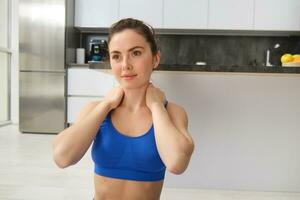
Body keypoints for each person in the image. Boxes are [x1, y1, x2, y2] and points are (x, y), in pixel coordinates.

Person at [52, 18, 194, 200]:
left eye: (135, 53)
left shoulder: (172, 112)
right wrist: (106, 105)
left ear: (155, 58)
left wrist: (156, 105)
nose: (125, 65)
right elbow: (61, 157)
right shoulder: (96, 109)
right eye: (116, 56)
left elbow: (177, 163)